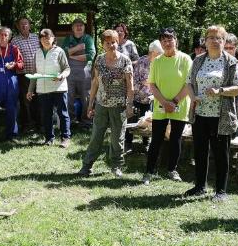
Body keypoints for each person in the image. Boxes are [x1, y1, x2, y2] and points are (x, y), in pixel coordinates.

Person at [184, 25, 238, 201]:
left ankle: (221, 190)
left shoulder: (231, 62)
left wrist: (220, 91)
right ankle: (200, 186)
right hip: (200, 114)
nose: (215, 41)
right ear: (205, 41)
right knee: (200, 152)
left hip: (221, 116)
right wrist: (193, 96)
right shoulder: (198, 60)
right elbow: (188, 83)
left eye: (219, 38)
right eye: (211, 37)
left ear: (224, 41)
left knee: (221, 154)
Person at [78, 29, 134, 177]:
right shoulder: (99, 60)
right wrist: (90, 104)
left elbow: (130, 86)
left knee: (117, 139)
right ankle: (87, 166)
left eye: (114, 42)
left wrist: (129, 105)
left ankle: (116, 166)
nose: (111, 45)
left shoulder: (125, 61)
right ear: (102, 45)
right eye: (107, 43)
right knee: (96, 137)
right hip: (101, 105)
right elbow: (95, 82)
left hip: (119, 107)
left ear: (118, 42)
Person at [142, 28, 193, 184]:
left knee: (175, 139)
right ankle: (149, 171)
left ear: (175, 40)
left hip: (180, 104)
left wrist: (175, 101)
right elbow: (152, 84)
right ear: (161, 43)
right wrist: (165, 102)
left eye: (170, 39)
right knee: (156, 138)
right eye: (164, 40)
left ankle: (172, 169)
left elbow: (188, 83)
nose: (167, 43)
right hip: (160, 106)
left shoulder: (185, 59)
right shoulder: (157, 61)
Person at [26, 28, 71, 147]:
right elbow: (34, 73)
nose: (46, 40)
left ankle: (65, 138)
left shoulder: (59, 51)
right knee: (46, 115)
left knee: (63, 114)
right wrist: (30, 90)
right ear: (40, 40)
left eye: (48, 37)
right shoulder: (37, 53)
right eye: (43, 38)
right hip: (43, 89)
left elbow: (67, 68)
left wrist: (61, 76)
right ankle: (49, 138)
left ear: (53, 38)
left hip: (59, 88)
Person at [0, 27, 24, 143]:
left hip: (10, 80)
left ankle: (11, 135)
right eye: (1, 34)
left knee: (11, 106)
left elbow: (21, 64)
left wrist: (14, 65)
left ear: (9, 37)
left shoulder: (14, 48)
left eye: (6, 35)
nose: (3, 37)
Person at [126, 40, 163, 153]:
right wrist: (149, 83)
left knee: (148, 121)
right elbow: (136, 81)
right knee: (132, 120)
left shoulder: (159, 63)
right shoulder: (142, 61)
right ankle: (128, 143)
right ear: (151, 52)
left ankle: (146, 143)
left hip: (151, 98)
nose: (159, 56)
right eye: (158, 54)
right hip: (138, 96)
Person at [63, 18, 96, 123]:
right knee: (69, 97)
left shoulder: (88, 39)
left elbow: (90, 56)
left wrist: (71, 55)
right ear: (72, 28)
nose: (79, 27)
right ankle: (71, 120)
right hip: (69, 72)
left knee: (86, 97)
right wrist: (78, 48)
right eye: (76, 25)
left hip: (85, 72)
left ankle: (86, 120)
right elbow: (63, 54)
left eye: (81, 25)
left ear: (84, 27)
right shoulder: (68, 38)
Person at [12, 17, 40, 133]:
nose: (24, 26)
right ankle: (28, 125)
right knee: (25, 100)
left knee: (38, 99)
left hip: (38, 74)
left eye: (26, 24)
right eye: (21, 24)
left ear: (29, 25)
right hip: (23, 75)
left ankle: (40, 123)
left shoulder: (37, 37)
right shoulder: (14, 40)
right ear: (18, 27)